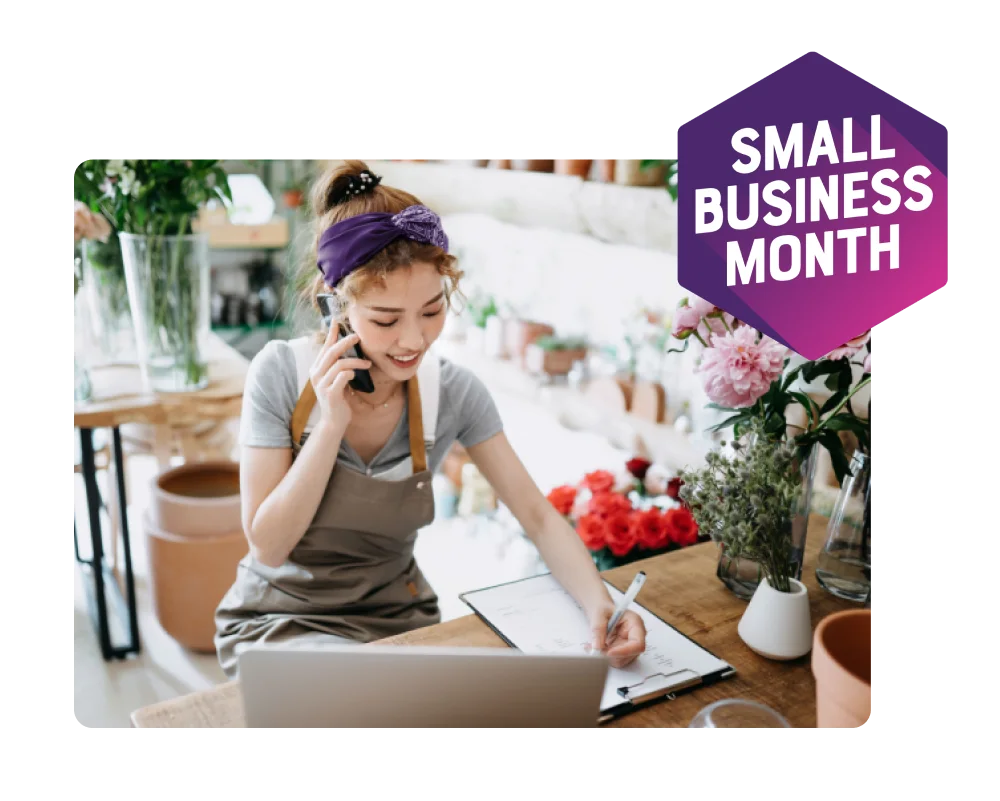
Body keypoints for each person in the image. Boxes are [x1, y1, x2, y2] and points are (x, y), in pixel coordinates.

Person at [214, 160, 647, 679]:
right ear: (337, 307)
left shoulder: (455, 393)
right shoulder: (279, 374)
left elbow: (535, 514)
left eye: (432, 309)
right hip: (281, 624)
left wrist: (600, 604)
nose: (414, 340)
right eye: (385, 319)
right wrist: (328, 426)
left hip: (397, 625)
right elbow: (268, 544)